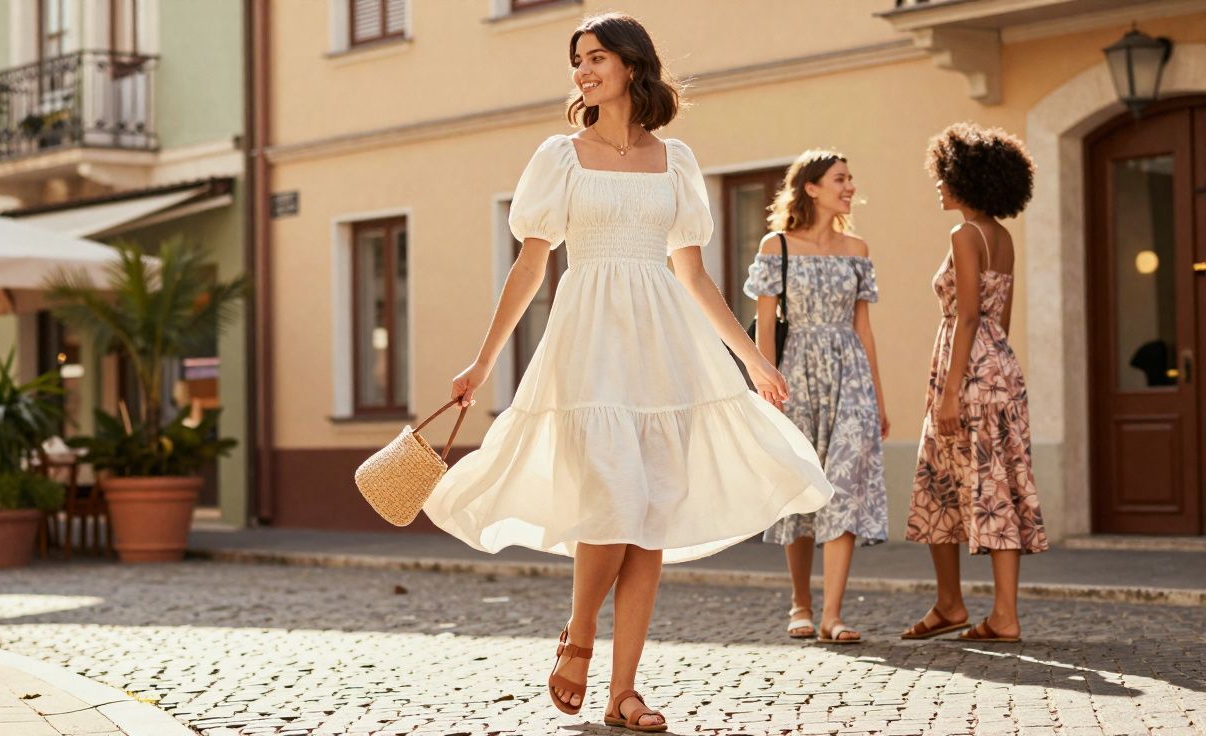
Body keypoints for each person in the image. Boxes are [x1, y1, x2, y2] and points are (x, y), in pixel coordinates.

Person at [422, 12, 832, 732]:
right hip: (589, 344)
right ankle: (578, 638)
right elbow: (532, 261)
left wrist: (753, 360)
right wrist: (484, 359)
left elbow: (696, 276)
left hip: (664, 347)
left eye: (596, 57)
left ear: (633, 65)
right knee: (611, 499)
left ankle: (624, 692)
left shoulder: (674, 161)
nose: (582, 70)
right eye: (576, 60)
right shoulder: (560, 155)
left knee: (650, 520)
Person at [903, 122, 1049, 645]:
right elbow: (998, 319)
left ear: (965, 178)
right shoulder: (1001, 236)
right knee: (999, 489)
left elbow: (966, 316)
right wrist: (991, 374)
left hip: (963, 372)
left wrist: (949, 394)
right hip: (999, 370)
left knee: (939, 482)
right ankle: (997, 613)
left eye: (944, 175)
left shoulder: (964, 234)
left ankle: (952, 603)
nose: (938, 185)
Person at [744, 150, 888, 645]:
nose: (849, 186)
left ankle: (832, 614)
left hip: (851, 376)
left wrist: (879, 398)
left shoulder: (858, 248)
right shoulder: (777, 245)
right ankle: (800, 603)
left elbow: (864, 329)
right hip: (795, 376)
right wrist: (766, 389)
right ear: (811, 187)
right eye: (840, 179)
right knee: (802, 491)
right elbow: (765, 325)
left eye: (850, 178)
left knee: (844, 486)